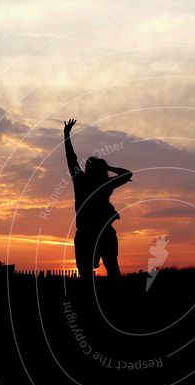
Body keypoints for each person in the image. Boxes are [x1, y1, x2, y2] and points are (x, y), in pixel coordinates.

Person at [63, 118, 132, 280]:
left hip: (93, 234)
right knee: (108, 270)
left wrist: (66, 134)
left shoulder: (84, 180)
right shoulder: (102, 183)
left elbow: (71, 159)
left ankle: (95, 301)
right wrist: (108, 167)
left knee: (92, 273)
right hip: (96, 233)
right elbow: (127, 174)